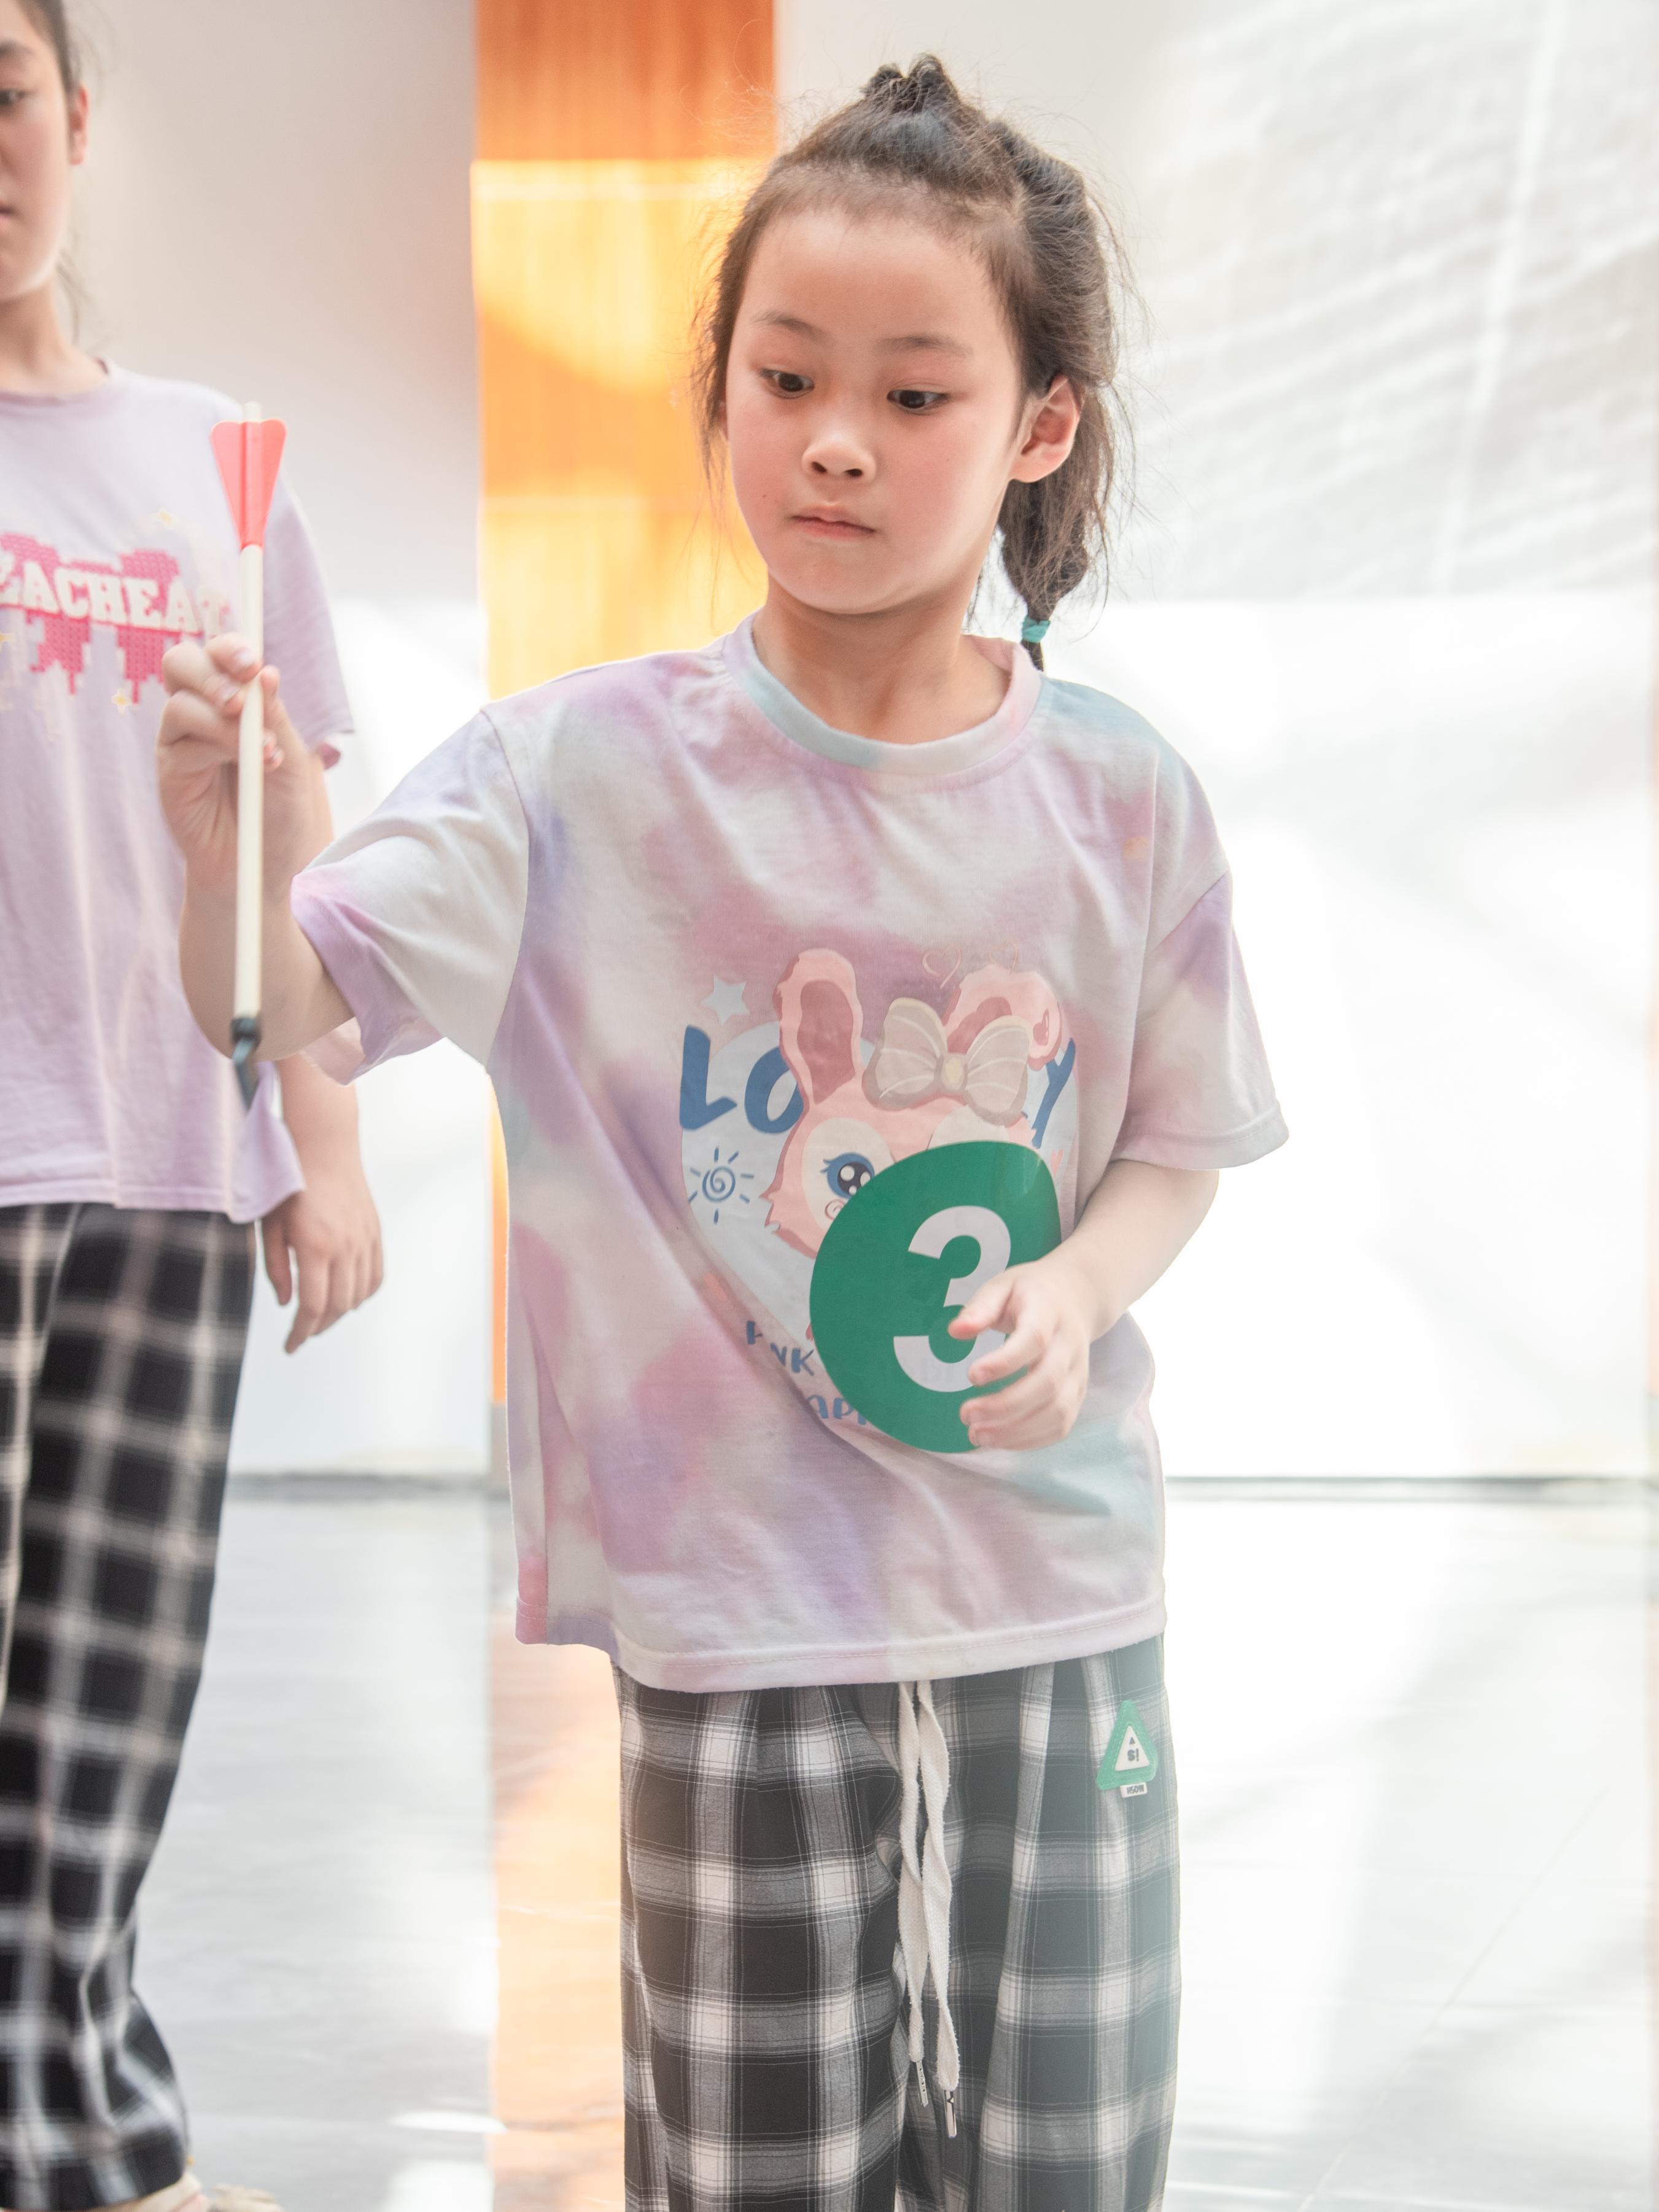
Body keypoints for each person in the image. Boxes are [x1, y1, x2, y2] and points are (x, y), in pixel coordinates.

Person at [162, 55, 1286, 2212]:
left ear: (1039, 426)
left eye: (916, 391)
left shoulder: (1123, 796)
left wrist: (1079, 1283)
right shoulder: (571, 774)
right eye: (785, 377)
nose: (836, 437)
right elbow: (285, 1000)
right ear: (728, 393)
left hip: (1057, 1610)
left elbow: (1176, 1141)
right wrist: (241, 839)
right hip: (733, 1633)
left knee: (1070, 2168)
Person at [0, 4, 381, 2208]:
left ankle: (90, 2127)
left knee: (107, 1705)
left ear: (76, 116)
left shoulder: (214, 457)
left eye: (3, 92)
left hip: (163, 1148)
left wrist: (322, 1148)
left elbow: (295, 839)